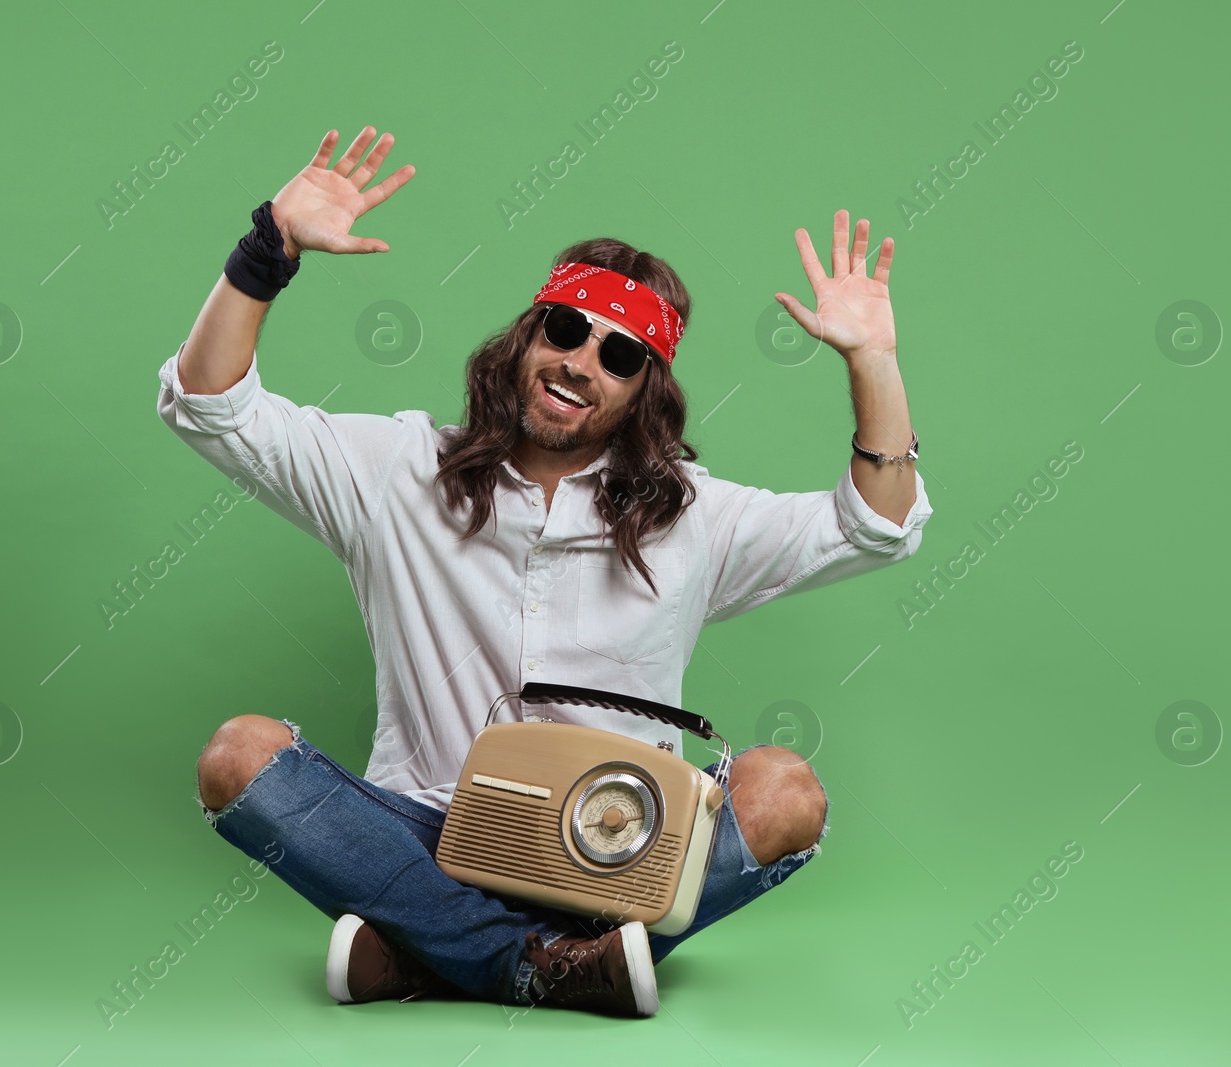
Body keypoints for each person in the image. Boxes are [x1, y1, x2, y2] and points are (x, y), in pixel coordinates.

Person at [159, 125, 933, 1019]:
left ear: (646, 390)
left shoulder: (692, 513)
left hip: (619, 847)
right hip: (429, 837)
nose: (581, 363)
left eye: (619, 355)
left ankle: (430, 949)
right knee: (239, 756)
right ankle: (544, 965)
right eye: (566, 330)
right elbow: (210, 407)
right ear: (526, 337)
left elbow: (876, 525)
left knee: (786, 792)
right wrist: (273, 245)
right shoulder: (396, 472)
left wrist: (874, 359)